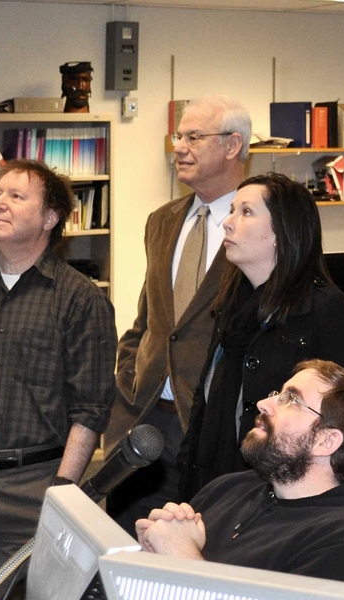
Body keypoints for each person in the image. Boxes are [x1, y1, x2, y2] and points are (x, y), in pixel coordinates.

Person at [0, 159, 117, 600]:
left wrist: (62, 496)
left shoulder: (80, 300)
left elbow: (90, 409)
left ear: (50, 218)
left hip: (34, 488)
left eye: (16, 196)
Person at [107, 96, 251, 535]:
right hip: (145, 420)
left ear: (233, 146)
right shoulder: (163, 220)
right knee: (130, 554)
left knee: (201, 555)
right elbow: (149, 319)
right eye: (178, 136)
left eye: (194, 137)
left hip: (212, 424)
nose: (180, 147)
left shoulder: (264, 223)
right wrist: (128, 374)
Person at [178, 172, 344, 499]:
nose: (228, 223)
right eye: (232, 211)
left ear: (281, 230)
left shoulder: (325, 309)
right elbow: (204, 407)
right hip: (215, 486)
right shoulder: (231, 305)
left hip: (284, 497)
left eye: (246, 212)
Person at [137, 359, 344, 588]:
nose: (263, 404)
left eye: (291, 400)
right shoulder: (228, 488)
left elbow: (183, 556)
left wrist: (182, 556)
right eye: (277, 394)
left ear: (326, 441)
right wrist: (152, 555)